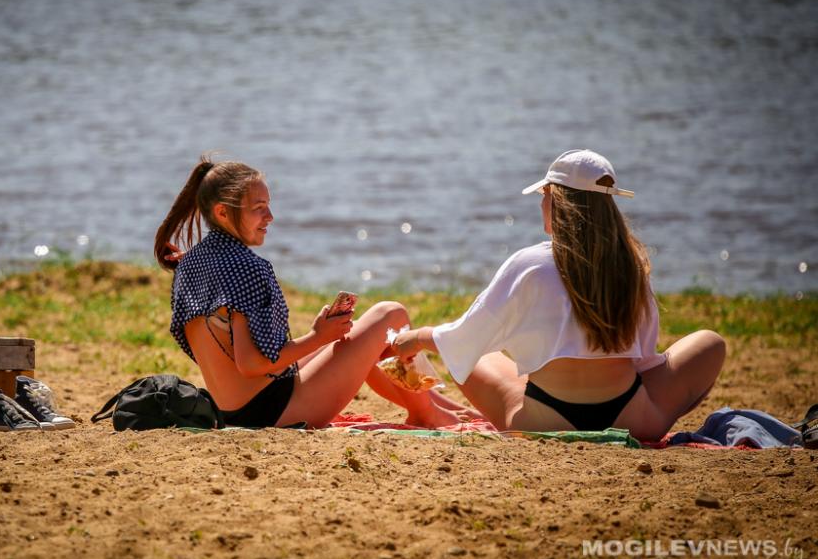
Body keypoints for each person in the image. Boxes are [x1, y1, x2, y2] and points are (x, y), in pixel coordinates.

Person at [390, 149, 725, 442]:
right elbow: (643, 358)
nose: (541, 202)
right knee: (711, 343)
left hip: (542, 421)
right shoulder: (631, 265)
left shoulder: (528, 264)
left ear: (557, 200)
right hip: (631, 420)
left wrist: (417, 338)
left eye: (545, 193)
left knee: (476, 353)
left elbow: (465, 337)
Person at [155, 152, 467, 429]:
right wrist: (318, 337)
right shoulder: (247, 267)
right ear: (223, 213)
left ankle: (438, 407)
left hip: (231, 409)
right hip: (272, 411)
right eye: (259, 208)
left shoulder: (191, 262)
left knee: (356, 332)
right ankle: (428, 414)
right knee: (390, 315)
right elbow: (251, 365)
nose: (270, 217)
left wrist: (325, 337)